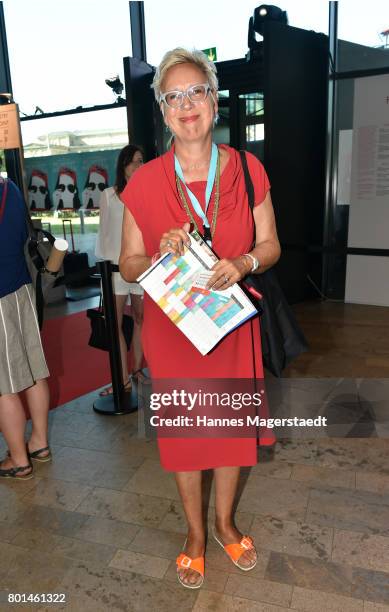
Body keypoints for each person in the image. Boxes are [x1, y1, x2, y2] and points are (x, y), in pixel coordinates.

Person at [119, 48, 281, 588]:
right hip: (176, 329)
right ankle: (194, 534)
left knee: (231, 433)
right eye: (174, 96)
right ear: (163, 112)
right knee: (188, 437)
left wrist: (244, 262)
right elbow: (128, 264)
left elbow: (272, 246)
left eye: (197, 92)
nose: (187, 105)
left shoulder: (248, 169)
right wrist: (161, 259)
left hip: (231, 325)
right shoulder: (144, 183)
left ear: (215, 101)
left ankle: (225, 525)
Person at [0, 177, 51, 481]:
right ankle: (39, 443)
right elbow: (22, 235)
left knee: (2, 386)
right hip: (21, 289)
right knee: (34, 369)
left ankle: (19, 460)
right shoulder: (10, 189)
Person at [95, 145, 147, 396]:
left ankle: (137, 370)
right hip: (114, 271)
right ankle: (121, 379)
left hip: (139, 268)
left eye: (141, 161)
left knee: (140, 319)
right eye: (134, 161)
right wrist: (102, 267)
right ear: (123, 165)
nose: (138, 166)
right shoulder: (108, 195)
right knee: (113, 324)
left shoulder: (149, 194)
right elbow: (103, 233)